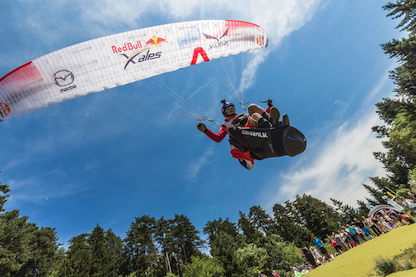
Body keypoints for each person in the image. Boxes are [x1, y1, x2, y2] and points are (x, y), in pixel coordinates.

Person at [197, 99, 288, 170]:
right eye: (228, 109)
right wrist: (206, 131)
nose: (231, 109)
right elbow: (218, 138)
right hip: (244, 135)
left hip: (255, 129)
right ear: (225, 113)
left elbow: (259, 117)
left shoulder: (242, 115)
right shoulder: (226, 125)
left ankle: (274, 124)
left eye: (232, 107)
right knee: (252, 117)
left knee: (252, 109)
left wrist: (269, 107)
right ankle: (272, 129)